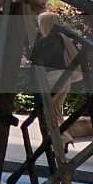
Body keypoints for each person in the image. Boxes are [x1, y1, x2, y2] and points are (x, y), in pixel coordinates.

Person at [31, 12, 81, 152]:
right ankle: (59, 143)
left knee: (48, 112)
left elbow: (40, 59)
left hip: (52, 79)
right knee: (56, 111)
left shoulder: (46, 41)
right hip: (65, 78)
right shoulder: (62, 39)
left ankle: (64, 139)